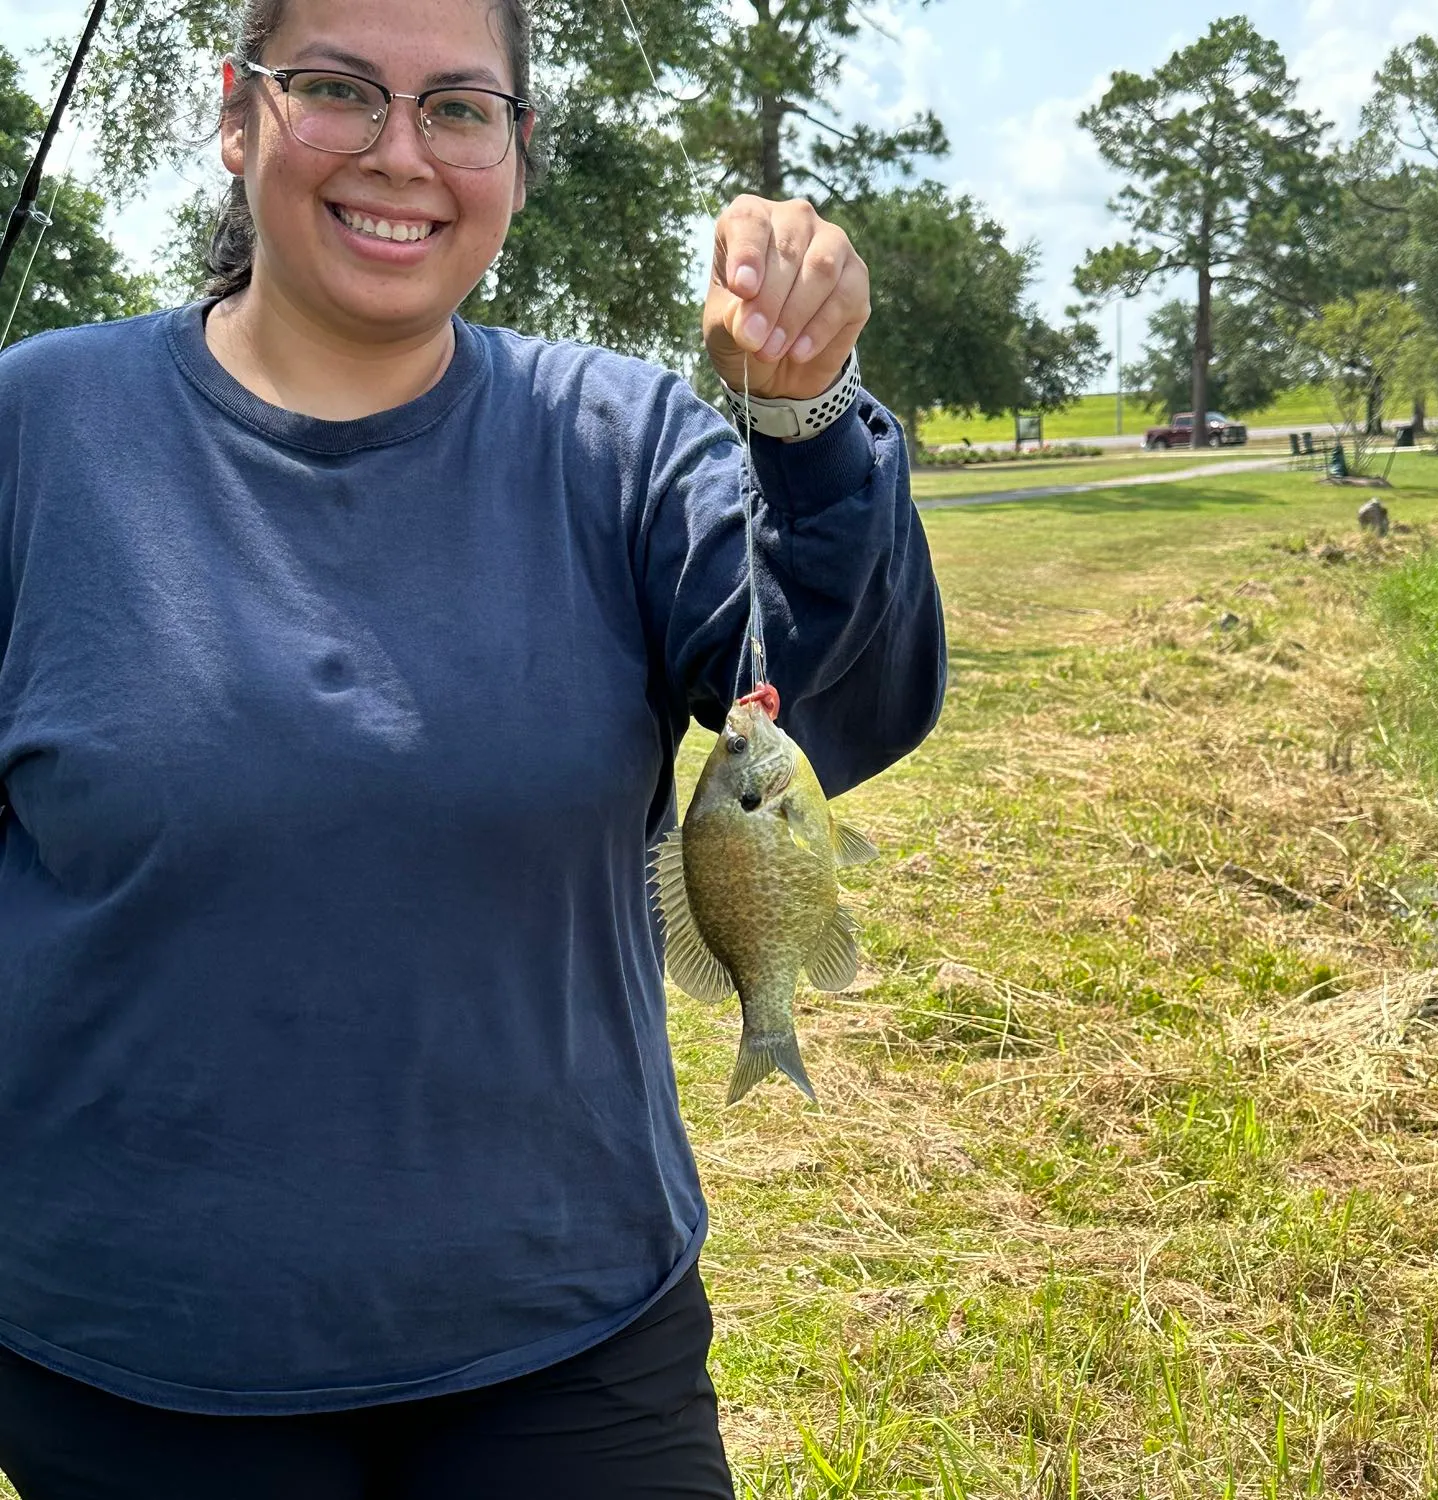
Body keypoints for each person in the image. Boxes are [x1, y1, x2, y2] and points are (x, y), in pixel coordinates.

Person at [0, 0, 945, 1493]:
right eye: (336, 90)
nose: (400, 153)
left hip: (566, 1330)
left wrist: (808, 416)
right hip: (138, 1350)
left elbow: (833, 698)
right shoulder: (38, 428)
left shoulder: (618, 440)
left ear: (514, 149)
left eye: (459, 107)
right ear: (237, 115)